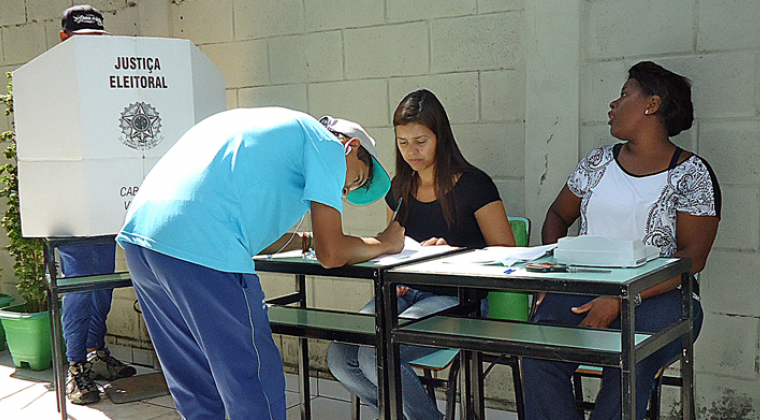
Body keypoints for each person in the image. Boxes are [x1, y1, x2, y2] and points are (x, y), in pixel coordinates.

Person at [117, 107, 405, 420]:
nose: (343, 191)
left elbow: (256, 234)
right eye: (355, 181)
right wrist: (385, 243)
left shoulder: (274, 129)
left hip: (142, 239)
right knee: (252, 380)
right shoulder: (329, 146)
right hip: (203, 247)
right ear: (353, 147)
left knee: (195, 383)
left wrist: (304, 241)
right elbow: (332, 253)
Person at [522, 61, 721, 420]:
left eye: (625, 94)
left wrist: (624, 298)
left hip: (661, 298)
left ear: (652, 104)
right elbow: (556, 216)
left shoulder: (691, 173)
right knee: (539, 351)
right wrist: (552, 278)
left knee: (630, 357)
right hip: (584, 288)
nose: (613, 104)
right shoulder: (597, 161)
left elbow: (693, 257)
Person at [327, 89, 516, 420]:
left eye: (420, 141)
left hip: (462, 300)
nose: (411, 151)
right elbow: (390, 246)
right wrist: (395, 269)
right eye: (402, 142)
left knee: (377, 354)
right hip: (406, 292)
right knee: (340, 355)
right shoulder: (399, 188)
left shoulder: (474, 185)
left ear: (440, 138)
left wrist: (452, 253)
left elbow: (508, 255)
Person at [58, 4, 136, 406]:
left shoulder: (108, 81)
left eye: (96, 41)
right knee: (80, 290)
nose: (90, 49)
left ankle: (95, 353)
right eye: (81, 40)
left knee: (102, 288)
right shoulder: (51, 82)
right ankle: (76, 368)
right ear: (63, 39)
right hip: (70, 205)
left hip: (105, 201)